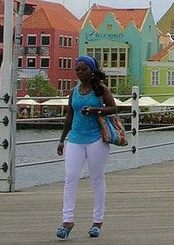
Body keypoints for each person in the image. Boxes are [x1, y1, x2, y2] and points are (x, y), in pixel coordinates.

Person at [55, 56, 117, 240]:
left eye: (83, 69)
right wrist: (61, 139)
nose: (79, 72)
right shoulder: (74, 92)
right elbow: (69, 117)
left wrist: (96, 110)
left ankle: (97, 221)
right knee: (70, 177)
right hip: (75, 138)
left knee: (96, 178)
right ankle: (67, 221)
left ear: (91, 71)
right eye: (77, 70)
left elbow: (113, 108)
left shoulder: (100, 90)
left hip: (96, 138)